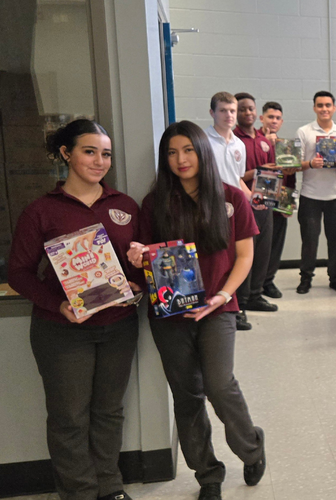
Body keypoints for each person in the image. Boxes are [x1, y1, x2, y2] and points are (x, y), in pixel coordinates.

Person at [128, 121, 267, 500]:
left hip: (218, 307)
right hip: (169, 313)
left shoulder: (231, 198)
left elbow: (244, 255)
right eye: (172, 153)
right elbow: (147, 261)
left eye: (188, 150)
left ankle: (252, 446)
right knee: (187, 395)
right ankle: (208, 475)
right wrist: (138, 256)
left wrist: (222, 297)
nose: (180, 159)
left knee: (220, 387)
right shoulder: (153, 203)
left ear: (203, 153)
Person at [8, 119, 141, 500]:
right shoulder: (41, 211)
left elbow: (143, 263)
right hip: (62, 331)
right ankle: (79, 493)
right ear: (66, 154)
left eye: (106, 153)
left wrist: (140, 276)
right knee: (69, 419)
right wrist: (57, 304)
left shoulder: (125, 206)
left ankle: (110, 488)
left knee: (109, 412)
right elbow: (18, 272)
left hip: (118, 324)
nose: (100, 161)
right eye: (89, 151)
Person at [203, 91, 253, 330]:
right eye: (223, 110)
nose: (229, 115)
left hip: (236, 211)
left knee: (239, 259)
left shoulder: (240, 145)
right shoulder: (202, 141)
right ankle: (216, 302)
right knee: (219, 260)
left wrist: (253, 199)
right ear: (212, 113)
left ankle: (236, 309)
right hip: (210, 209)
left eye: (232, 110)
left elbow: (238, 180)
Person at [295, 90, 336, 294]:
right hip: (310, 196)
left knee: (335, 241)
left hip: (335, 196)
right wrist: (310, 163)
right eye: (320, 105)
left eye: (328, 105)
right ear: (314, 108)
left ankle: (335, 278)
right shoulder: (304, 132)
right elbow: (294, 164)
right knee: (309, 241)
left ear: (334, 108)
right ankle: (306, 279)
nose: (324, 109)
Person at [233, 93, 278, 316]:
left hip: (265, 202)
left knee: (263, 249)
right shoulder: (233, 140)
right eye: (242, 109)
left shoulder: (264, 140)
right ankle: (240, 300)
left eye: (251, 109)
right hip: (242, 203)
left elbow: (272, 170)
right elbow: (234, 175)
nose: (248, 113)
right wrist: (259, 172)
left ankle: (256, 294)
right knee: (245, 252)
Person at [257, 101, 292, 299]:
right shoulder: (255, 140)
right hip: (260, 201)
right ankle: (256, 285)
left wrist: (288, 205)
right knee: (260, 245)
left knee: (276, 244)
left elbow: (290, 175)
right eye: (270, 117)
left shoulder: (285, 146)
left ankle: (268, 281)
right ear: (262, 118)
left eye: (278, 118)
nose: (274, 121)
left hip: (280, 201)